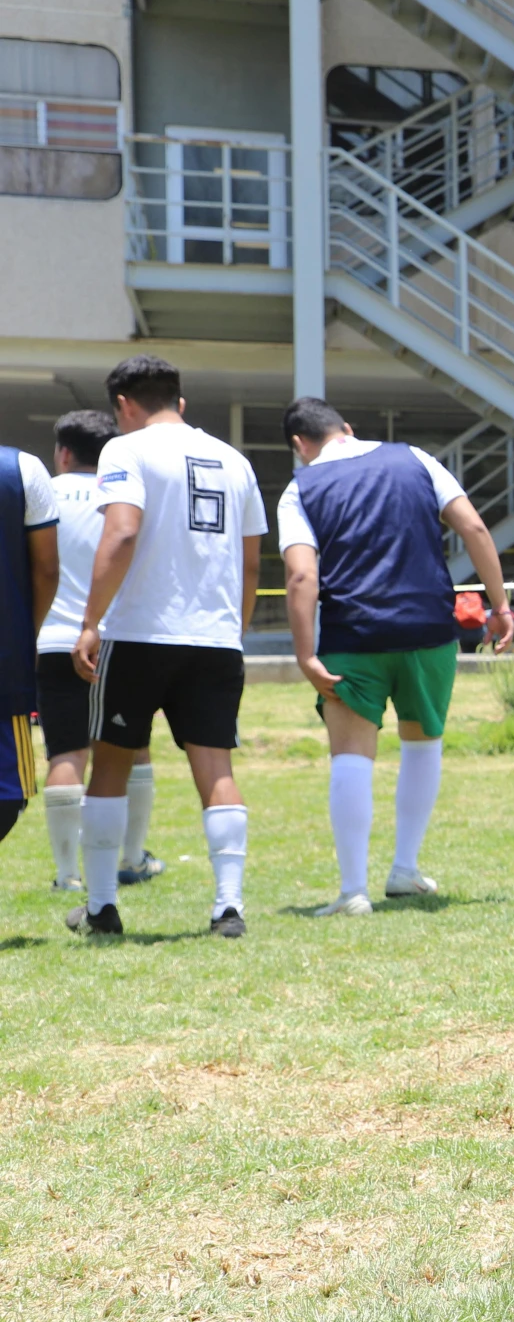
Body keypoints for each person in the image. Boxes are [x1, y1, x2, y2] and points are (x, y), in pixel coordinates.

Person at [277, 399, 514, 917]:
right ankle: (405, 867)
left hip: (352, 636)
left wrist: (303, 653)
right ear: (348, 427)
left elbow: (301, 577)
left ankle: (352, 891)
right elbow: (473, 528)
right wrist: (499, 606)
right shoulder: (415, 458)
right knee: (423, 744)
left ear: (300, 444)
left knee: (350, 757)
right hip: (429, 629)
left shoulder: (300, 489)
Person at [68, 356, 265, 939]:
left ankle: (101, 907)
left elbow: (123, 531)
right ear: (178, 400)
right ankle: (228, 907)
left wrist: (89, 621)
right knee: (216, 767)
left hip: (139, 633)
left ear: (124, 405)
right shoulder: (236, 460)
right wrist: (236, 629)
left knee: (110, 763)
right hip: (215, 638)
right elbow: (252, 562)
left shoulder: (124, 450)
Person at [34, 412, 169, 892]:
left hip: (51, 639)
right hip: (118, 638)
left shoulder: (39, 492)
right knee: (132, 749)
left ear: (64, 453)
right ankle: (132, 858)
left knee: (66, 752)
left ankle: (68, 874)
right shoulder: (127, 495)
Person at [1, 436, 59, 852]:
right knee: (8, 791)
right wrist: (28, 633)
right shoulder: (21, 469)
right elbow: (46, 569)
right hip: (5, 658)